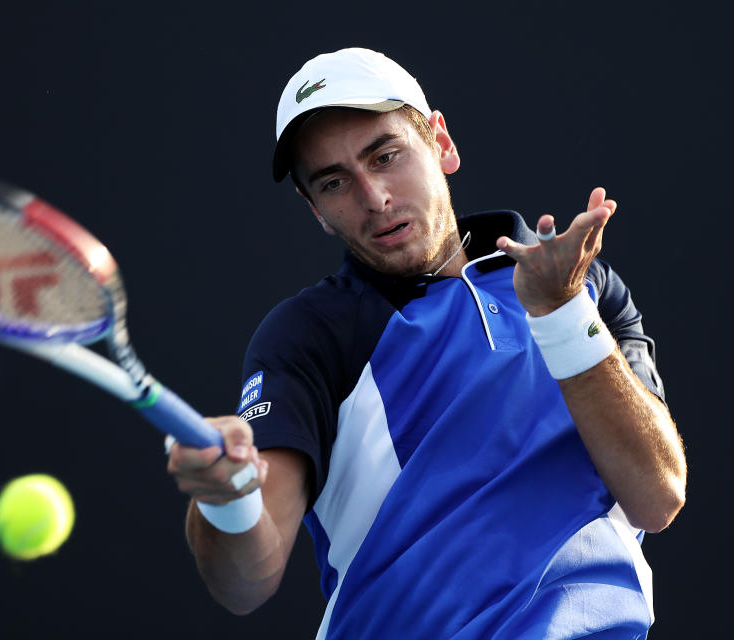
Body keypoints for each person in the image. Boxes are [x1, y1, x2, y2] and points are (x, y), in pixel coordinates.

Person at [166, 47, 686, 639]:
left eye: (386, 156)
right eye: (335, 183)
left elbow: (658, 495)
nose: (374, 198)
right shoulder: (309, 336)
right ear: (315, 209)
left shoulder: (583, 286)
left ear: (440, 141)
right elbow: (244, 582)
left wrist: (563, 314)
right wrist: (225, 499)